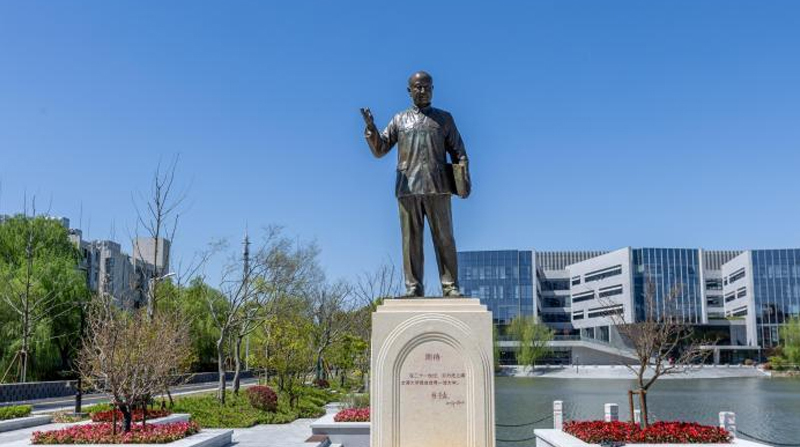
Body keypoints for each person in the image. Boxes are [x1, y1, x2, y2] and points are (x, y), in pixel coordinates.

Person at [360, 71, 468, 297]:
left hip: (438, 186)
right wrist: (371, 129)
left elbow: (459, 152)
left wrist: (463, 181)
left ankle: (450, 286)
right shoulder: (399, 119)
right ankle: (413, 286)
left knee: (445, 238)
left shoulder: (444, 119)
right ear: (409, 91)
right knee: (411, 241)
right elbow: (380, 149)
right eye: (418, 87)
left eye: (427, 86)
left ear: (433, 89)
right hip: (407, 187)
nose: (422, 90)